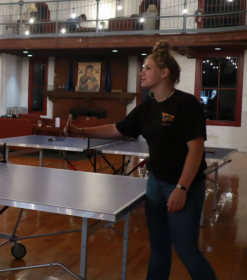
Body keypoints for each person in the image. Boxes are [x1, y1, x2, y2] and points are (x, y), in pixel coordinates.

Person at [68, 40, 217, 280]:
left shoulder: (186, 103)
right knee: (158, 248)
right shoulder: (146, 108)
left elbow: (196, 150)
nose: (142, 72)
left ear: (164, 72)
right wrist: (84, 131)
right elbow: (118, 128)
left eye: (147, 68)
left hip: (182, 186)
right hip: (155, 184)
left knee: (186, 250)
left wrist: (181, 188)